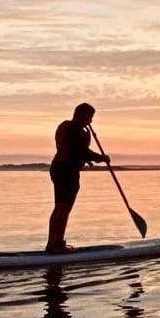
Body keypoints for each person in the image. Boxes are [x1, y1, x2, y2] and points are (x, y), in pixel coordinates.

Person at [45, 102, 108, 252]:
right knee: (64, 208)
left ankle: (52, 244)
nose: (90, 121)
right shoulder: (76, 130)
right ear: (82, 115)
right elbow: (81, 151)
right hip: (67, 171)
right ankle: (57, 245)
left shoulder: (66, 126)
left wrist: (93, 157)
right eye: (90, 117)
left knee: (59, 207)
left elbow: (78, 150)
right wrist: (102, 158)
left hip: (57, 168)